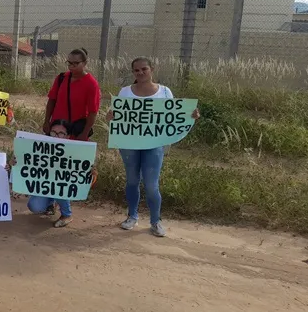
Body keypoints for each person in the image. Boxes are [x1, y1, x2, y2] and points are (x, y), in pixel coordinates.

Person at [107, 57, 200, 238]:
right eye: (136, 70)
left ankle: (155, 221)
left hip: (154, 145)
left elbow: (174, 115)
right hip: (129, 144)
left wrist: (191, 115)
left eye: (144, 69)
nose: (140, 73)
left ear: (152, 69)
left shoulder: (164, 92)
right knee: (132, 181)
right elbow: (115, 117)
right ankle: (132, 216)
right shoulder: (125, 92)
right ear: (132, 72)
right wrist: (110, 118)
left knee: (151, 185)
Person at [43, 48, 100, 140]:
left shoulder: (91, 84)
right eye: (69, 63)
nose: (71, 66)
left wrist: (85, 133)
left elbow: (92, 112)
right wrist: (46, 121)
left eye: (76, 63)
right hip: (56, 130)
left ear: (85, 63)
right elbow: (52, 100)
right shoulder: (61, 78)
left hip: (76, 132)